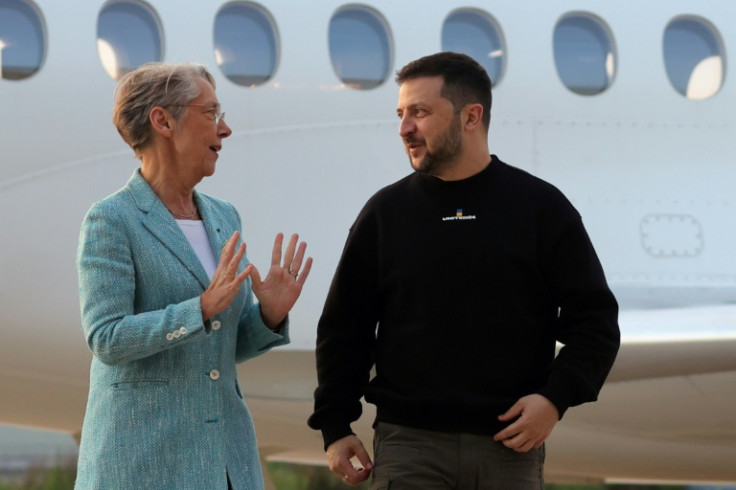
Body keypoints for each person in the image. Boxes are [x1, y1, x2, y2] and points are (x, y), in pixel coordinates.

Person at [307, 52, 620, 489]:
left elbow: (596, 323)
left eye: (419, 112)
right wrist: (335, 426)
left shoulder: (541, 209)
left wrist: (553, 400)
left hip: (509, 451)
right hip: (407, 448)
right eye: (400, 114)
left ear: (471, 116)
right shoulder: (385, 214)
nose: (404, 128)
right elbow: (344, 329)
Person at [75, 62, 312, 490]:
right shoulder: (111, 220)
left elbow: (219, 344)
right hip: (144, 464)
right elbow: (106, 339)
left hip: (226, 463)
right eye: (213, 113)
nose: (226, 130)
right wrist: (198, 309)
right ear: (163, 120)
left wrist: (269, 317)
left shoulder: (224, 216)